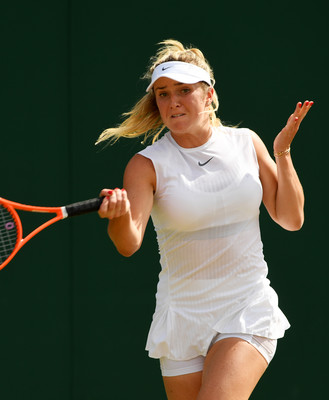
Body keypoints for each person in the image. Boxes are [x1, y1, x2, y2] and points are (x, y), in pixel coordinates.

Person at [95, 39, 313, 400]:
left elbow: (291, 218)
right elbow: (128, 242)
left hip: (245, 307)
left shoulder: (246, 143)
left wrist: (282, 152)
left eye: (184, 90)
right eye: (163, 94)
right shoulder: (146, 164)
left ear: (209, 94)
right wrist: (117, 216)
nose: (173, 102)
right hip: (182, 317)